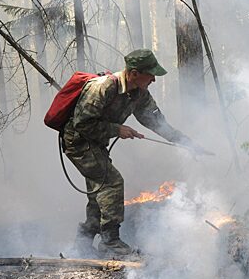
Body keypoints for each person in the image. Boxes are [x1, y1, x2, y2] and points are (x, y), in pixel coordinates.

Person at [62, 49, 203, 257]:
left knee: (98, 192)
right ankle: (110, 242)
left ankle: (82, 244)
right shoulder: (103, 88)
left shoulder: (138, 93)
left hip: (96, 143)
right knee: (112, 182)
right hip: (78, 142)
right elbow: (82, 124)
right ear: (134, 73)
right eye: (151, 74)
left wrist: (183, 141)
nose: (154, 79)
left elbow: (156, 122)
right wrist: (117, 129)